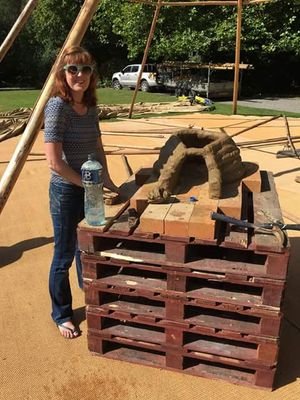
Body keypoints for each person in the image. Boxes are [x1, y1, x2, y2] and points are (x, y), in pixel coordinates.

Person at [44, 46, 118, 339]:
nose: (80, 75)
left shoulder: (91, 107)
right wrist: (88, 184)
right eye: (73, 69)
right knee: (63, 254)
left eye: (86, 69)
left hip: (90, 186)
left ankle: (89, 291)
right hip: (66, 189)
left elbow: (98, 147)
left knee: (86, 246)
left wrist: (109, 180)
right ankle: (61, 313)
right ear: (63, 74)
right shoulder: (57, 107)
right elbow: (54, 162)